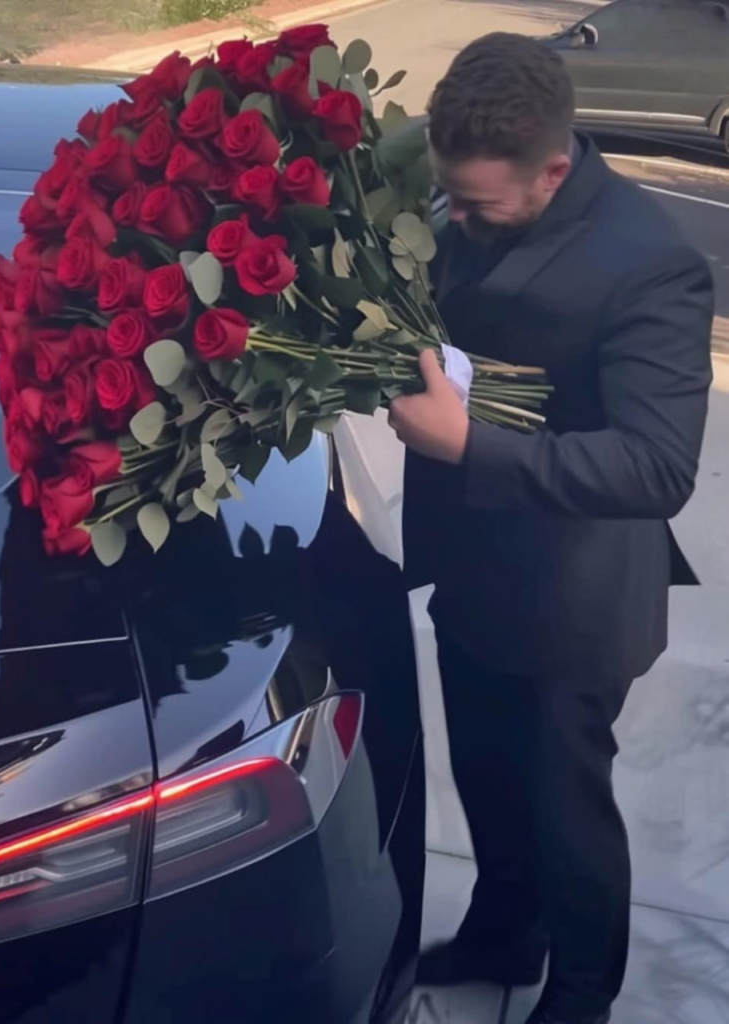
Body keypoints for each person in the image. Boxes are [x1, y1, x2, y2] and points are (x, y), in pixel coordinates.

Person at [389, 32, 713, 1024]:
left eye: (477, 206)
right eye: (450, 198)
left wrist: (466, 446)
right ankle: (502, 932)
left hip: (572, 598)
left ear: (554, 170)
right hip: (472, 563)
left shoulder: (650, 263)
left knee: (565, 813)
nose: (457, 220)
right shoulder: (457, 195)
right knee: (486, 776)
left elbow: (656, 467)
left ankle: (579, 994)